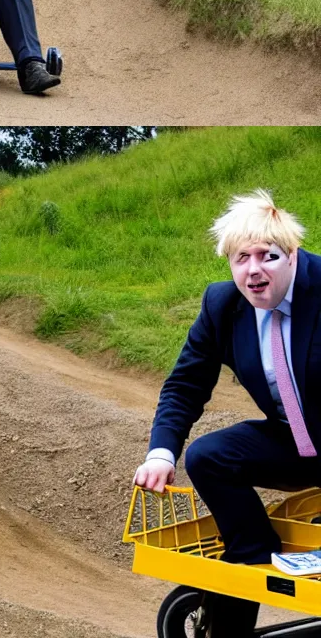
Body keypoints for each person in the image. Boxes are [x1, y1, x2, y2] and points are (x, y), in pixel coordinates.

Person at [133, 190, 321, 636]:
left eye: (267, 256)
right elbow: (185, 385)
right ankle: (251, 554)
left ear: (291, 254)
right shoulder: (222, 305)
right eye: (241, 258)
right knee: (207, 456)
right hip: (294, 441)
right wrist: (161, 453)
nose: (253, 270)